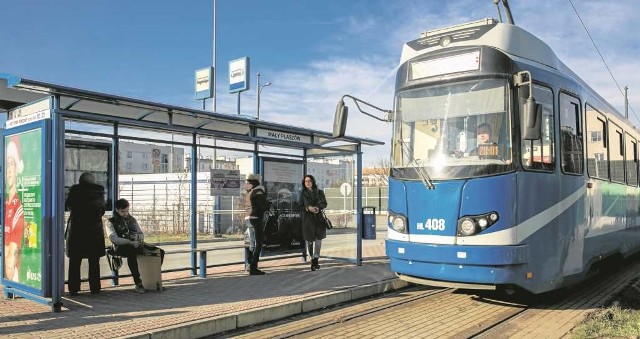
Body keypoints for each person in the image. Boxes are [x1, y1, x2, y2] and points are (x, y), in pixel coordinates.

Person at [107, 198, 165, 293]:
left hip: (135, 244)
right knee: (132, 253)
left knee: (159, 252)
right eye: (123, 211)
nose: (125, 213)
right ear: (117, 210)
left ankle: (151, 280)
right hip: (120, 247)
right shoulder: (110, 222)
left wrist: (139, 239)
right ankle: (138, 283)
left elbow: (140, 233)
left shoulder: (132, 219)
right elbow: (114, 239)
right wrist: (129, 242)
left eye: (127, 211)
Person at [65, 172, 106, 295]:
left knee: (75, 261)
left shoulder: (75, 191)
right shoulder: (99, 192)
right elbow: (102, 211)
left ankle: (73, 288)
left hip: (77, 230)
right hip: (94, 231)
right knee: (94, 261)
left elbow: (68, 206)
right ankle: (95, 288)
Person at [4, 137, 24, 282]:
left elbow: (12, 255)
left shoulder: (18, 204)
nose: (8, 171)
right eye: (7, 165)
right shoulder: (6, 200)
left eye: (12, 164)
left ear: (17, 168)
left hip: (14, 275)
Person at [298, 174, 328, 271]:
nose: (308, 183)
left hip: (318, 219)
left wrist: (318, 208)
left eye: (309, 181)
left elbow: (324, 203)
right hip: (307, 220)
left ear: (313, 182)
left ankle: (315, 260)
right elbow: (300, 206)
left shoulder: (320, 192)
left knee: (318, 241)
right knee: (310, 242)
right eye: (306, 181)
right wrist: (308, 208)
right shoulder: (302, 193)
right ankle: (312, 258)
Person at [241, 174, 269, 275]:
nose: (246, 184)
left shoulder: (249, 193)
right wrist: (268, 204)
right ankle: (253, 268)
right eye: (247, 183)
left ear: (253, 184)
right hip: (256, 219)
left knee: (252, 244)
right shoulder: (258, 192)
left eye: (248, 183)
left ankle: (249, 266)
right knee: (258, 244)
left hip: (249, 219)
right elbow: (265, 206)